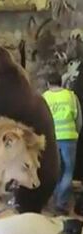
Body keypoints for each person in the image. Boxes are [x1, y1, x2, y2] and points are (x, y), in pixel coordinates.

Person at [43, 72, 82, 215]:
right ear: (61, 82)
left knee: (55, 170)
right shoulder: (71, 96)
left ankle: (54, 199)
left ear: (48, 83)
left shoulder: (45, 97)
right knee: (68, 170)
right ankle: (62, 203)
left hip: (52, 138)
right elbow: (79, 119)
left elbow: (41, 119)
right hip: (69, 137)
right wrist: (76, 133)